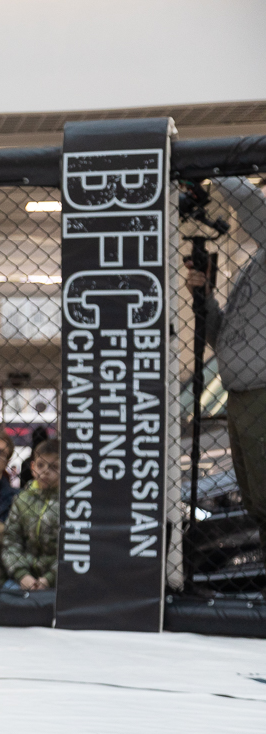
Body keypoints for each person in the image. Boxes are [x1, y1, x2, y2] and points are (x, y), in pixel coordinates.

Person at [186, 177, 266, 548]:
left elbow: (251, 203)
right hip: (241, 394)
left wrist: (215, 170)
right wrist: (205, 298)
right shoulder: (255, 263)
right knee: (256, 502)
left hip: (260, 393)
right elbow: (223, 339)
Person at [2, 437, 60, 590]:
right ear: (33, 467)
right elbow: (10, 542)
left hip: (59, 578)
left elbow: (73, 548)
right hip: (23, 577)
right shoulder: (22, 499)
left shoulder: (70, 502)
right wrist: (22, 575)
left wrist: (49, 579)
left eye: (54, 467)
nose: (46, 471)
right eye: (41, 465)